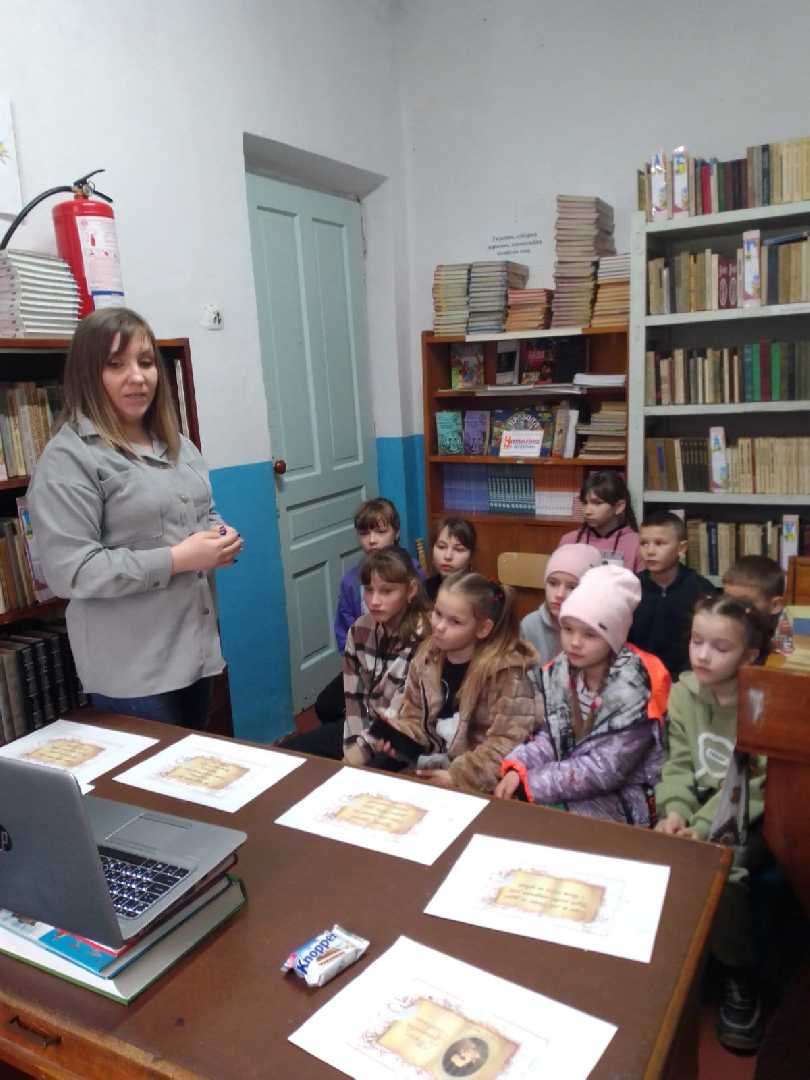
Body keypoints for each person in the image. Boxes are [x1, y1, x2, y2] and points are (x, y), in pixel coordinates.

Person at [28, 307, 242, 729]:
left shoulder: (174, 441)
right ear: (88, 374)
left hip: (195, 648)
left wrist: (220, 536)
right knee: (155, 771)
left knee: (196, 763)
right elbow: (72, 571)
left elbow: (203, 510)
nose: (137, 377)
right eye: (116, 364)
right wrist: (178, 559)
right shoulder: (70, 458)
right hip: (134, 670)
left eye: (145, 362)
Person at [655, 595, 771, 1052]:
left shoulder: (760, 703)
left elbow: (751, 787)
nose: (702, 655)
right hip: (699, 806)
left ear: (749, 656)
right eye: (696, 641)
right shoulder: (684, 693)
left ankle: (739, 973)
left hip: (747, 814)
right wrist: (674, 811)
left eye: (720, 648)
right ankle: (676, 966)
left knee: (727, 872)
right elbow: (678, 763)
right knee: (659, 848)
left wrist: (702, 829)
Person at [495, 564, 669, 826]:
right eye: (568, 629)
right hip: (568, 787)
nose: (575, 642)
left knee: (534, 823)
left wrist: (531, 784)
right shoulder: (561, 672)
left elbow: (605, 770)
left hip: (624, 803)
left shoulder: (635, 687)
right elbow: (551, 737)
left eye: (590, 634)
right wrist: (518, 769)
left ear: (614, 636)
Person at [372, 571, 540, 794]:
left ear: (483, 629)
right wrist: (400, 734)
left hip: (483, 782)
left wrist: (458, 777)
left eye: (455, 621)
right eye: (438, 614)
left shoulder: (507, 673)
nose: (439, 626)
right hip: (436, 767)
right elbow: (416, 719)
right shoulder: (426, 657)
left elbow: (507, 743)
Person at [281, 547, 429, 761]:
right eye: (368, 590)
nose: (374, 601)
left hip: (400, 735)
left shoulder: (425, 639)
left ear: (411, 590)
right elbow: (354, 698)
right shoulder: (360, 630)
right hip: (367, 726)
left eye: (387, 591)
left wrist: (358, 754)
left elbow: (401, 711)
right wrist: (352, 743)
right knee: (288, 752)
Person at [314, 497, 404, 727]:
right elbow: (344, 630)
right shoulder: (351, 582)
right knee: (326, 706)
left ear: (396, 532)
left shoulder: (411, 574)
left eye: (380, 532)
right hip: (363, 663)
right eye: (364, 533)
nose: (372, 540)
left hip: (401, 668)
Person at [628, 510, 716, 678]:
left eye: (659, 543)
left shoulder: (701, 591)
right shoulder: (629, 587)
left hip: (685, 681)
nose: (650, 551)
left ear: (681, 548)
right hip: (634, 678)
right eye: (644, 543)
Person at [520, 543, 601, 664]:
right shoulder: (530, 625)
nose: (559, 594)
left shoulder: (599, 629)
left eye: (572, 587)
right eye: (553, 583)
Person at [558, 470, 643, 572]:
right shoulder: (569, 541)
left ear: (619, 506)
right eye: (585, 503)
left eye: (597, 503)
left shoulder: (637, 544)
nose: (587, 511)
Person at [722, 555, 790, 653]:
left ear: (775, 605)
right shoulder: (721, 618)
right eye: (727, 599)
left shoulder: (783, 627)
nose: (732, 609)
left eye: (744, 603)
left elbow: (785, 653)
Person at [423, 516, 476, 603]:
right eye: (441, 547)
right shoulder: (425, 589)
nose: (448, 556)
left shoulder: (481, 593)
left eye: (458, 549)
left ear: (471, 555)